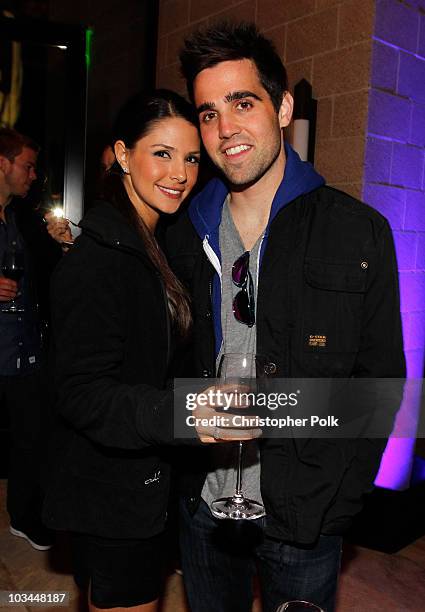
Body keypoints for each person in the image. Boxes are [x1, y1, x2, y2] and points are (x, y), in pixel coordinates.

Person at [165, 22, 405, 612]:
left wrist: (340, 502)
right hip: (204, 508)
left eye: (243, 103)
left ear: (282, 108)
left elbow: (379, 382)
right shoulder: (181, 234)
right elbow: (158, 371)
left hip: (305, 515)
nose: (225, 130)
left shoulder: (357, 231)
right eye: (208, 113)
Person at [42, 89, 259, 612]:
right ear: (122, 154)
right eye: (161, 153)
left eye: (189, 158)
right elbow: (82, 394)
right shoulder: (100, 258)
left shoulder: (151, 242)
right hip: (114, 493)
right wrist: (187, 412)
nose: (180, 174)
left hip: (141, 483)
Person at [0, 127, 59, 551]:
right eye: (27, 165)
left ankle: (24, 517)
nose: (33, 174)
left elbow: (46, 269)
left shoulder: (20, 216)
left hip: (26, 352)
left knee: (31, 440)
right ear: (2, 164)